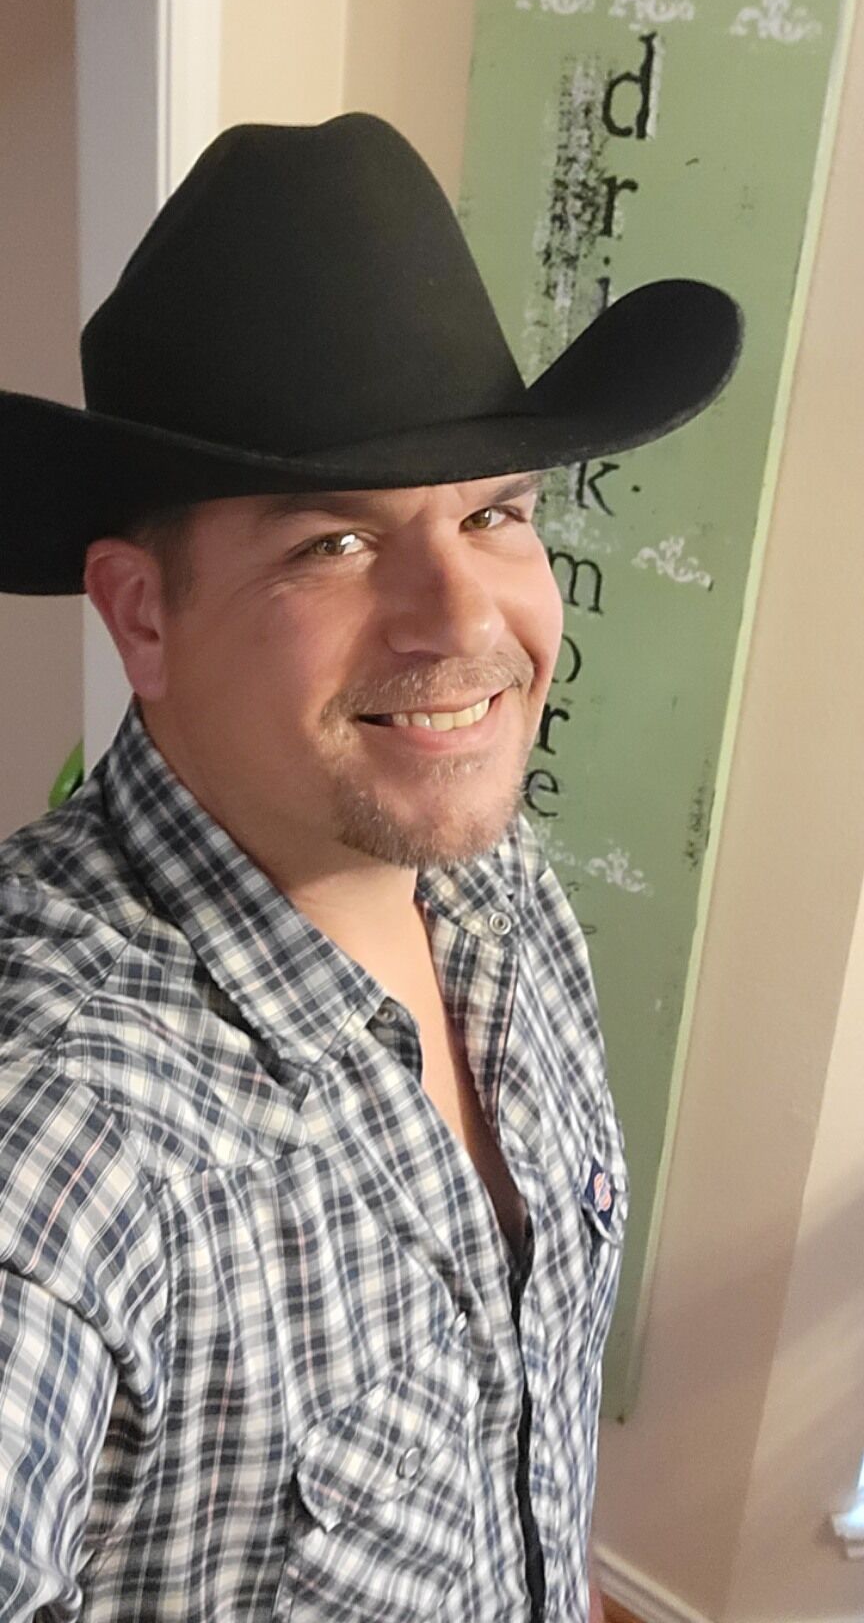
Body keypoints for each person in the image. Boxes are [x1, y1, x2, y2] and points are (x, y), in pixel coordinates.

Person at [0, 115, 741, 1622]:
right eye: (332, 545)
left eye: (495, 514)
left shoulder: (497, 891)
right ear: (142, 616)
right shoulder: (64, 1118)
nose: (461, 621)